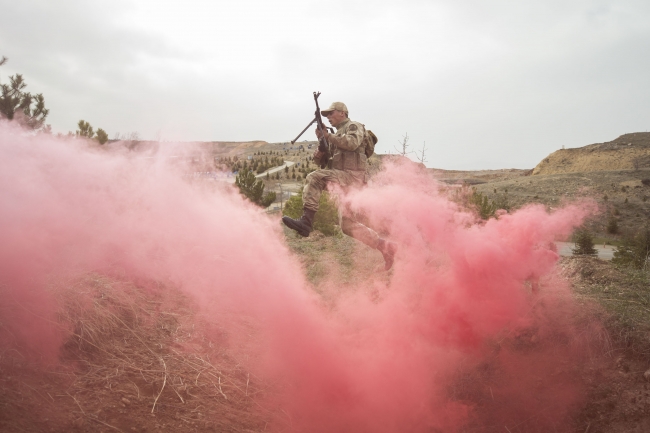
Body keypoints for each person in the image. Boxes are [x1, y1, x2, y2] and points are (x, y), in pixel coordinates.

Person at [282, 101, 397, 270]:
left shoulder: (354, 126)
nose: (328, 117)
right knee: (347, 226)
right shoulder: (335, 135)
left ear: (342, 113)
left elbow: (351, 144)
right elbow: (322, 162)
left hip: (353, 178)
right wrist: (322, 147)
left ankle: (306, 222)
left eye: (331, 113)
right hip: (344, 180)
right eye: (326, 115)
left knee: (314, 178)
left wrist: (328, 137)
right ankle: (386, 247)